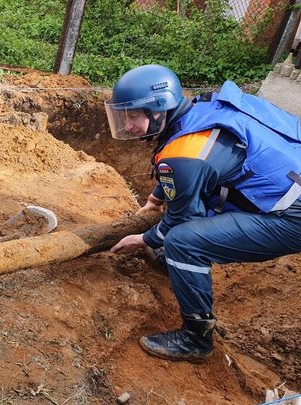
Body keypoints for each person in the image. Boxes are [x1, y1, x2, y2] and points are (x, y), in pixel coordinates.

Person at [105, 64, 301, 362]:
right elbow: (196, 168)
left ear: (159, 110)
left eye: (134, 115)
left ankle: (195, 338)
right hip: (288, 176)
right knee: (188, 219)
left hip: (292, 216)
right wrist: (156, 198)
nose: (128, 125)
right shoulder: (203, 106)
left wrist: (145, 238)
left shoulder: (183, 156)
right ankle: (177, 266)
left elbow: (182, 210)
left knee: (182, 241)